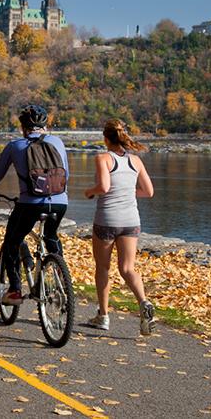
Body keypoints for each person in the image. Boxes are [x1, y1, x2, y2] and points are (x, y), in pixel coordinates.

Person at [0, 104, 69, 306]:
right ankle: (62, 277)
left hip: (30, 204)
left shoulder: (15, 146)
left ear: (23, 127)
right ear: (45, 125)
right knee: (51, 236)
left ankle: (15, 290)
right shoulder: (58, 142)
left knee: (12, 240)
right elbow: (66, 174)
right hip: (60, 202)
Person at [83, 119, 156, 335]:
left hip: (107, 220)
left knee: (103, 268)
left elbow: (104, 187)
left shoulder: (103, 158)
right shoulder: (135, 161)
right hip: (131, 221)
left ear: (105, 138)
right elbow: (148, 192)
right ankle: (144, 303)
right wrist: (128, 193)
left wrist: (90, 192)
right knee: (127, 269)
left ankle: (103, 316)